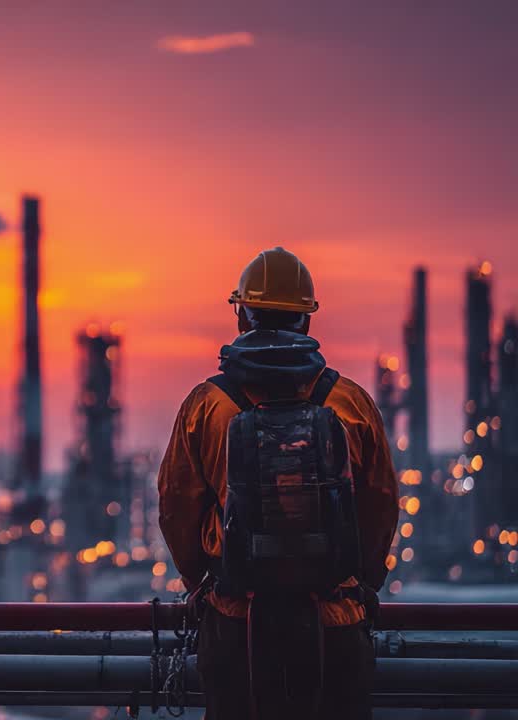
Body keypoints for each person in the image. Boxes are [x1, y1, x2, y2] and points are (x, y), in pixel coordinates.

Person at [158, 247, 399, 720]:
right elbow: (381, 503)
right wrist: (361, 583)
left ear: (241, 315)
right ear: (306, 321)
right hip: (333, 622)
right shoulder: (349, 402)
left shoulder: (208, 405)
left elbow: (175, 507)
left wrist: (199, 582)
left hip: (237, 623)